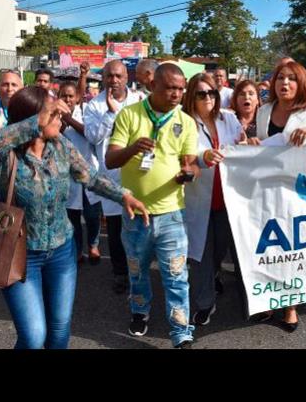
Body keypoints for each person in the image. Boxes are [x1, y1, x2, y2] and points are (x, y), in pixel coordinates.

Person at [0, 86, 149, 349]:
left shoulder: (60, 145)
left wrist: (123, 196)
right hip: (18, 255)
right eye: (52, 115)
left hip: (62, 253)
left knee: (58, 332)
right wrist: (33, 124)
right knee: (32, 338)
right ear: (33, 119)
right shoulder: (5, 152)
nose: (60, 119)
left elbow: (91, 177)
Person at [105, 63, 200, 349]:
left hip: (172, 213)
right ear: (153, 86)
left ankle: (181, 331)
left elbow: (191, 163)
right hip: (136, 214)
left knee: (176, 275)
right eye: (171, 88)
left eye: (181, 89)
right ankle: (139, 311)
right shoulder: (129, 115)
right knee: (137, 271)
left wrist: (189, 174)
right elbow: (110, 160)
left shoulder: (186, 121)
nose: (177, 94)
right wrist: (133, 149)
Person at [249, 60, 306, 332]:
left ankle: (291, 306)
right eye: (280, 78)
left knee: (293, 249)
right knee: (269, 247)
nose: (284, 83)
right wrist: (251, 145)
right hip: (267, 190)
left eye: (291, 79)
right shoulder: (263, 111)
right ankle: (269, 298)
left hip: (300, 190)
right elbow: (261, 144)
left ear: (300, 83)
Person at [182, 73, 246, 327]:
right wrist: (202, 155)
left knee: (220, 249)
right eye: (201, 93)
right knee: (201, 254)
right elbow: (181, 155)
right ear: (191, 97)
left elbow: (242, 146)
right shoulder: (184, 122)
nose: (208, 97)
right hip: (199, 200)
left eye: (212, 93)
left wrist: (249, 143)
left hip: (228, 199)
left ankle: (214, 275)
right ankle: (205, 303)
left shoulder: (229, 119)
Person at [82, 60, 145, 294]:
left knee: (139, 228)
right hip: (111, 177)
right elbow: (92, 137)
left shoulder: (140, 100)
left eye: (118, 76)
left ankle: (139, 271)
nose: (114, 80)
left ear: (126, 77)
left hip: (140, 174)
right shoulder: (94, 105)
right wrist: (110, 113)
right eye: (109, 76)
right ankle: (120, 273)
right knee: (118, 231)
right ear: (103, 78)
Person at [58, 81, 104, 265]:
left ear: (77, 98)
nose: (68, 99)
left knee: (92, 214)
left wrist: (70, 120)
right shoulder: (53, 115)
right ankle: (77, 250)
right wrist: (61, 121)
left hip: (88, 171)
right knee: (72, 216)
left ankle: (93, 244)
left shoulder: (86, 113)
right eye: (64, 96)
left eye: (71, 96)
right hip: (66, 174)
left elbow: (91, 135)